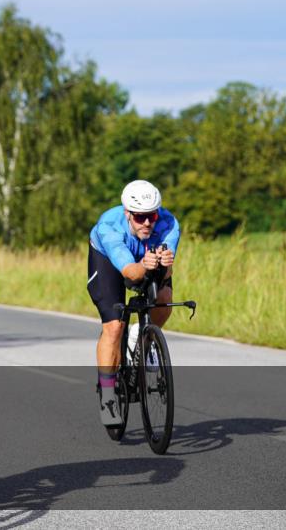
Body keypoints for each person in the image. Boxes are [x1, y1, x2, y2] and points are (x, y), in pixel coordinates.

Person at [87, 179, 180, 426]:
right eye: (140, 217)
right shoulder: (110, 226)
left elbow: (166, 273)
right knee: (114, 326)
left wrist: (162, 264)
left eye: (152, 216)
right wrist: (143, 266)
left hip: (145, 259)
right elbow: (130, 273)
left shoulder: (169, 224)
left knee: (164, 298)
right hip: (109, 260)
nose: (148, 222)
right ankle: (108, 394)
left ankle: (142, 335)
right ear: (127, 213)